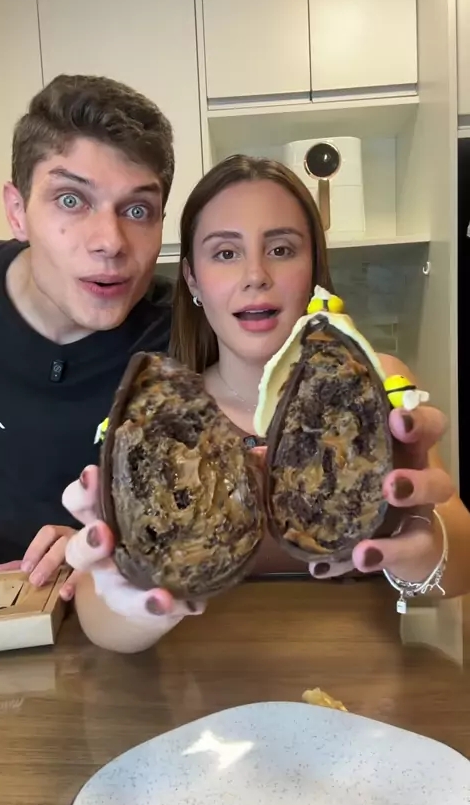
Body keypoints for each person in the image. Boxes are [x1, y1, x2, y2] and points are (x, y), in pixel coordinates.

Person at [54, 155, 469, 653]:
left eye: (281, 249)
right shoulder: (158, 422)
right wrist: (139, 604)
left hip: (362, 686)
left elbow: (459, 566)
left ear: (313, 268)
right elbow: (100, 611)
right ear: (192, 279)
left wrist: (419, 540)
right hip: (207, 694)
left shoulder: (378, 387)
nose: (256, 274)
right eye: (225, 253)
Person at [0, 73, 177, 571]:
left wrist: (110, 548)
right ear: (17, 211)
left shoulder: (184, 337)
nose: (110, 242)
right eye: (71, 200)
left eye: (137, 209)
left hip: (117, 610)